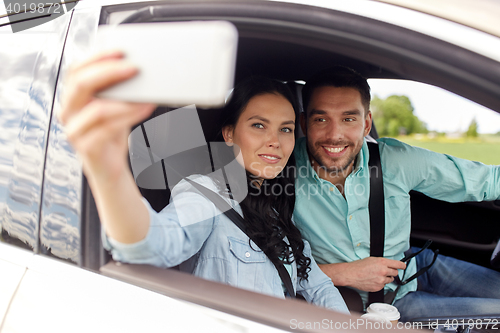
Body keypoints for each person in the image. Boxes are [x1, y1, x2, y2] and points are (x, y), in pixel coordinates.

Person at [58, 51, 349, 313]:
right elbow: (154, 244)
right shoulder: (206, 192)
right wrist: (109, 173)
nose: (274, 142)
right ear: (229, 134)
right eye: (258, 125)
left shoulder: (276, 210)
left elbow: (319, 287)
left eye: (285, 129)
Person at [293, 66, 500, 321]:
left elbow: (487, 180)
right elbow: (260, 268)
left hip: (412, 264)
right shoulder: (279, 171)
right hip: (382, 306)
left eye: (348, 119)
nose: (335, 135)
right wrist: (342, 273)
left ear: (366, 123)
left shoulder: (396, 160)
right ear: (304, 123)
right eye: (321, 119)